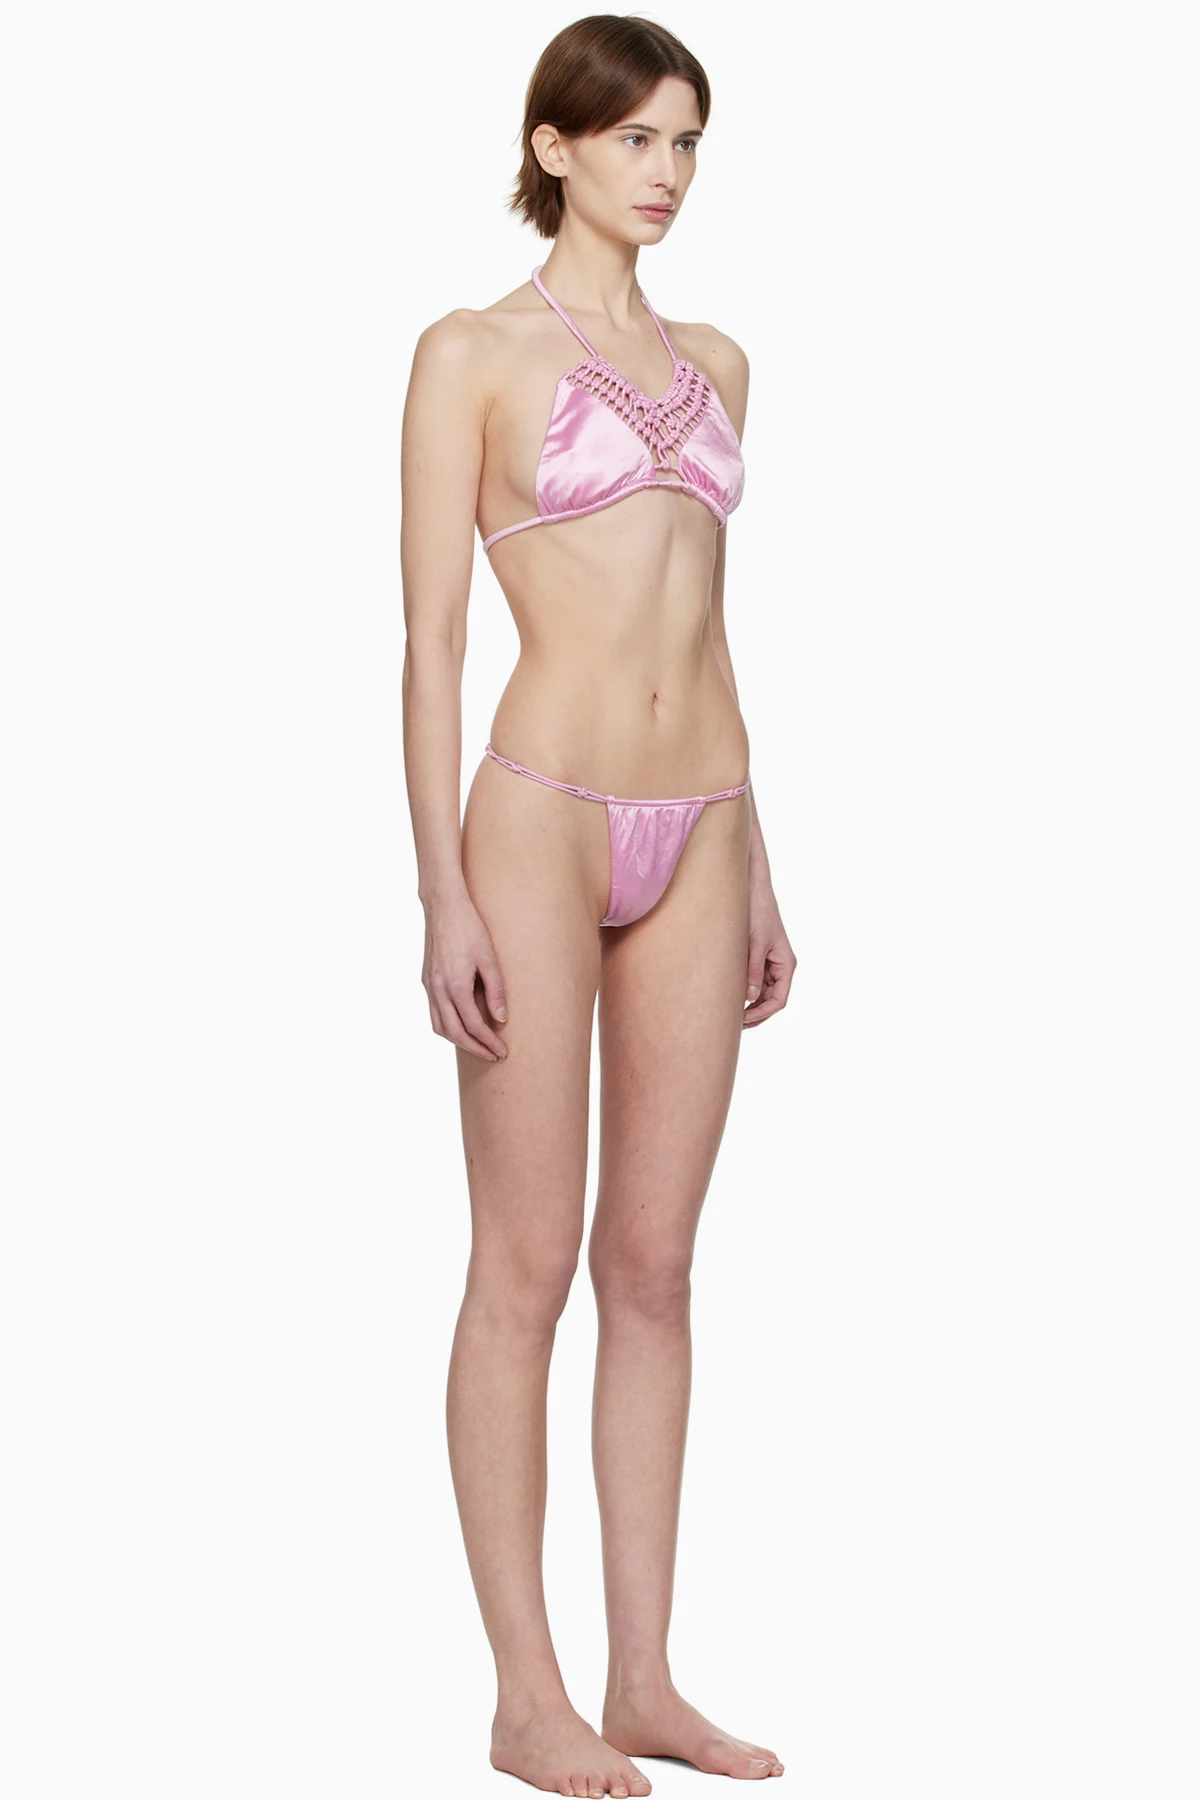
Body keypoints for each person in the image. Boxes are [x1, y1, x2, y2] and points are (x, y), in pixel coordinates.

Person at [401, 15, 794, 1796]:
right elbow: (430, 641)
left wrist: (762, 855)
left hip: (703, 824)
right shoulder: (469, 353)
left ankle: (644, 1679)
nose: (668, 170)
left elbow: (708, 626)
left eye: (688, 141)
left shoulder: (720, 360)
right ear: (553, 147)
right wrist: (440, 892)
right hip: (539, 823)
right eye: (636, 137)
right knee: (524, 1265)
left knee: (655, 1267)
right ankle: (525, 1696)